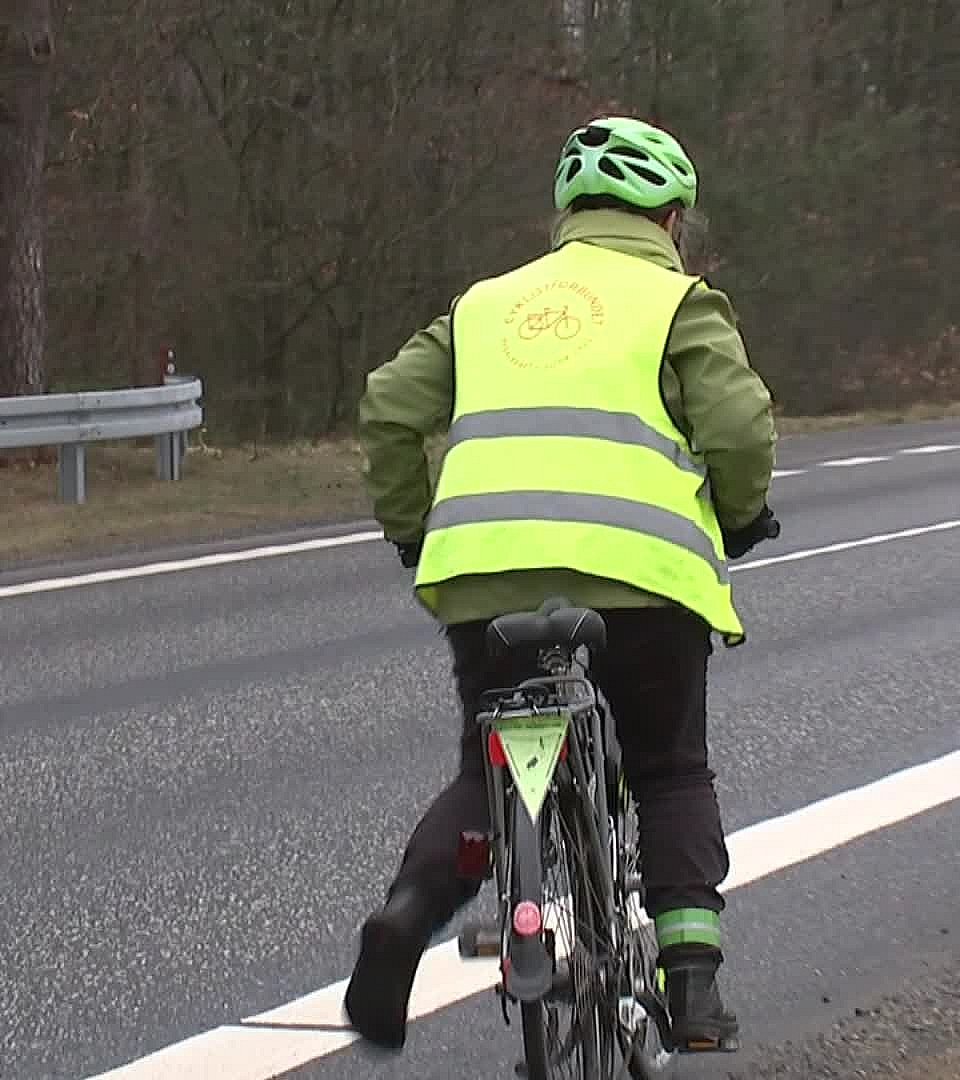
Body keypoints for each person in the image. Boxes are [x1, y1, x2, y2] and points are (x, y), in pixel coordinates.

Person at [345, 115, 780, 1055]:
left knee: (485, 769)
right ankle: (694, 986)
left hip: (484, 581)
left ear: (565, 215)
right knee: (667, 768)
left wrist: (420, 534)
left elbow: (387, 407)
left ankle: (410, 913)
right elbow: (739, 427)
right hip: (641, 585)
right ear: (670, 219)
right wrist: (740, 517)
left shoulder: (485, 305)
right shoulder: (679, 300)